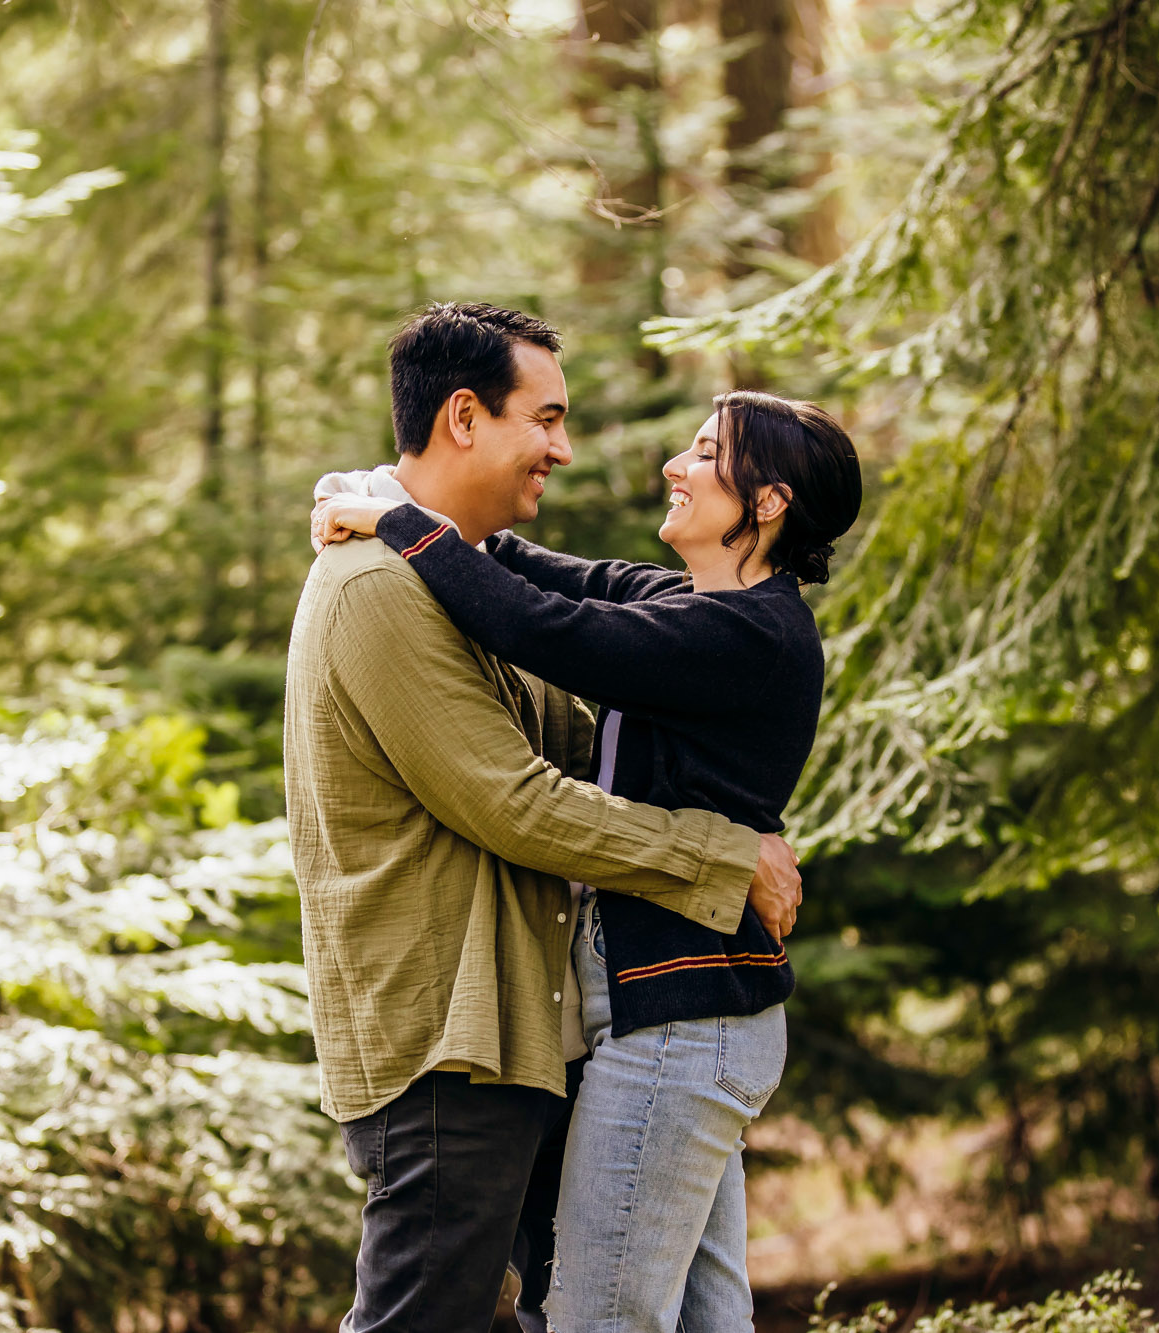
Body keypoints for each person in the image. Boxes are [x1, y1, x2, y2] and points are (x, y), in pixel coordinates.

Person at [282, 302, 804, 1333]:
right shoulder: (377, 589)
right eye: (547, 418)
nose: (564, 450)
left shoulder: (435, 578)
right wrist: (719, 851)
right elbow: (513, 800)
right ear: (465, 417)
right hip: (444, 1040)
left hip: (511, 1028)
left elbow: (573, 714)